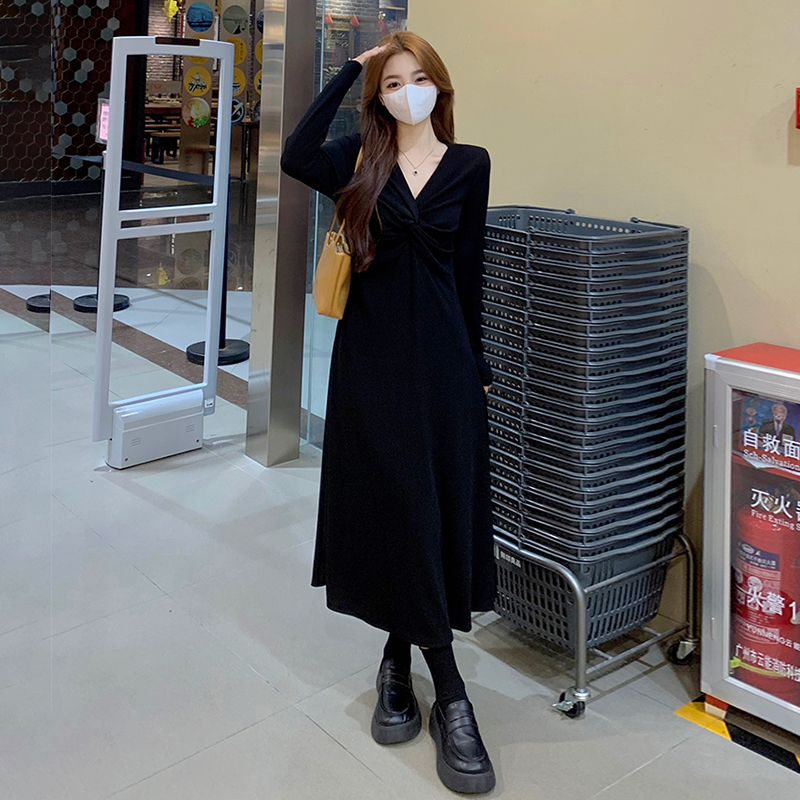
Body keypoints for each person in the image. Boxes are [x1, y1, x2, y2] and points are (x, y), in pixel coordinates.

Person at [280, 31, 496, 795]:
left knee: (428, 508)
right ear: (380, 96)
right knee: (400, 502)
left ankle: (396, 664)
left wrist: (477, 364)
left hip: (442, 363)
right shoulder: (357, 160)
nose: (407, 92)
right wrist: (350, 69)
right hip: (370, 363)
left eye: (417, 79)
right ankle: (453, 693)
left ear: (441, 86)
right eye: (393, 83)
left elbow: (467, 270)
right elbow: (295, 155)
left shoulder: (471, 164)